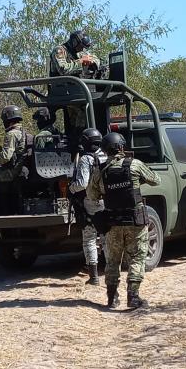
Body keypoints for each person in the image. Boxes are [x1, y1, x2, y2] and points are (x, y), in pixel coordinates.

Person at [88, 132, 160, 309]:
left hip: (112, 222)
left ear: (105, 150)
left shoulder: (101, 169)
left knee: (113, 260)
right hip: (135, 221)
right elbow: (156, 180)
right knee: (137, 257)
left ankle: (112, 298)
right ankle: (133, 297)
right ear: (121, 147)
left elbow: (92, 195)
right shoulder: (134, 164)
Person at [69, 128, 108, 285]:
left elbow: (82, 184)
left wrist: (71, 188)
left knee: (90, 238)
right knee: (106, 238)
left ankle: (94, 277)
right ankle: (111, 271)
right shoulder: (105, 155)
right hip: (107, 201)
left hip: (90, 202)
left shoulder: (86, 159)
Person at [0, 105, 30, 215]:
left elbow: (6, 157)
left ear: (7, 120)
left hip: (14, 170)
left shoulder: (11, 134)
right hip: (21, 167)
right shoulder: (24, 132)